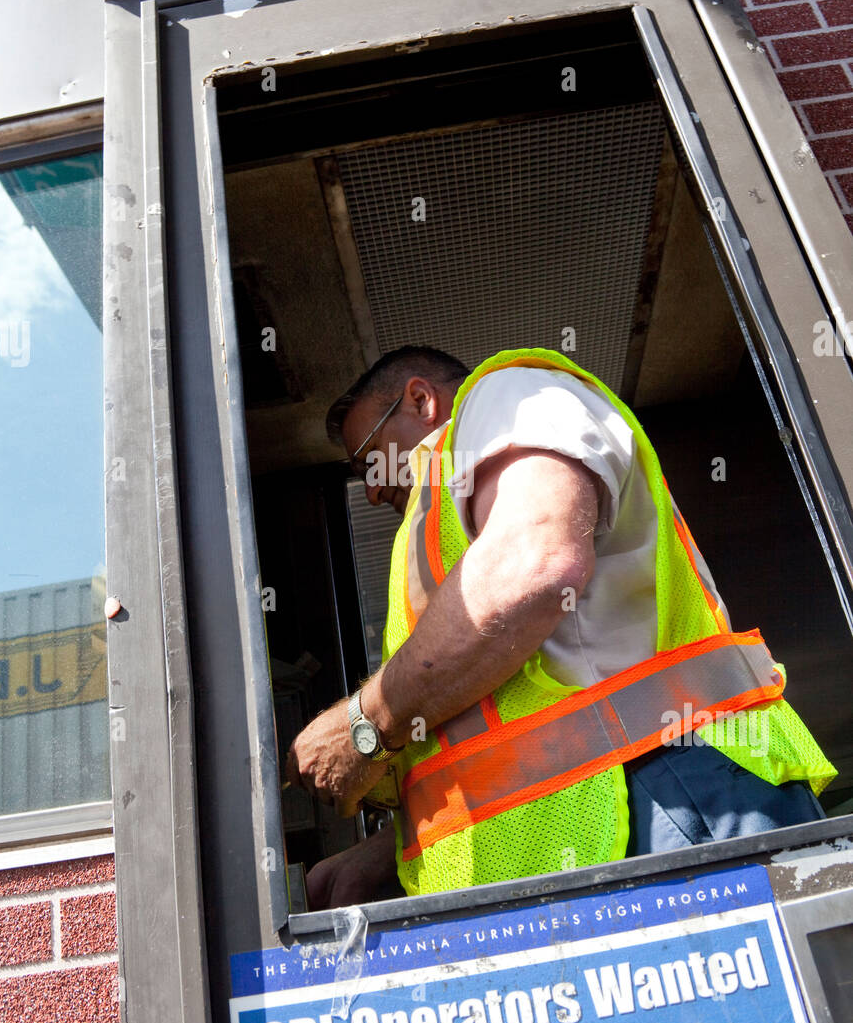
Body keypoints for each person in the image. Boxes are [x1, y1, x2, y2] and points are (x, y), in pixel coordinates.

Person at [285, 345, 835, 909]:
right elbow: (510, 743)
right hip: (611, 830)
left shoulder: (504, 397)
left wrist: (366, 724)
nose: (372, 488)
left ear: (422, 400)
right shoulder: (440, 519)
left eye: (369, 456)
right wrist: (397, 856)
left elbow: (537, 567)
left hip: (663, 801)